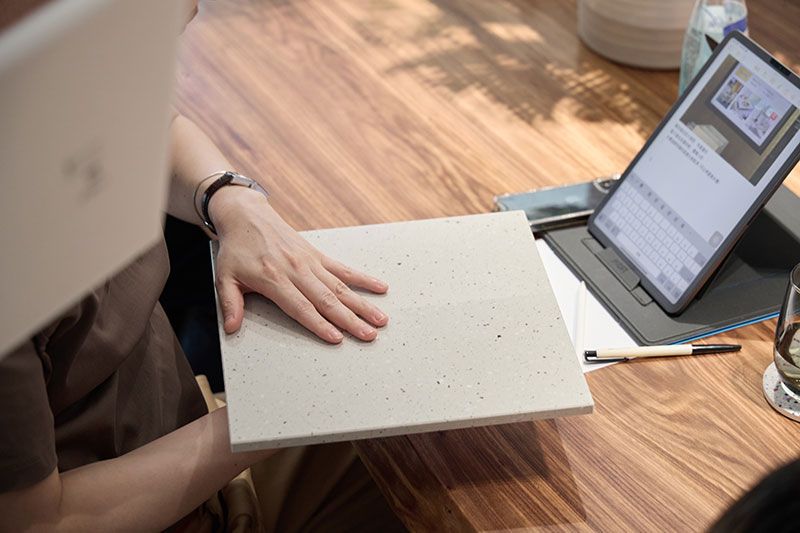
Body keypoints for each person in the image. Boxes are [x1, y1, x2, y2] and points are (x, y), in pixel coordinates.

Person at [0, 1, 402, 530]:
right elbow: (39, 523)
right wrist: (270, 414)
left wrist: (230, 200)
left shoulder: (46, 95)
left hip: (185, 423)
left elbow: (149, 123)